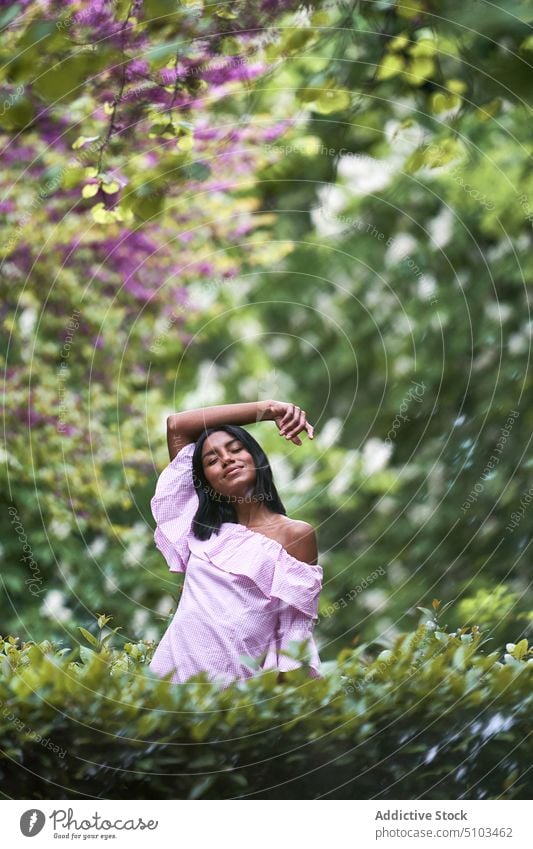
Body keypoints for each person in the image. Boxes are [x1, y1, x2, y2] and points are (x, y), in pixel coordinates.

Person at [148, 399, 323, 687]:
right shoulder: (200, 526)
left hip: (231, 700)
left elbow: (292, 635)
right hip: (166, 689)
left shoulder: (296, 535)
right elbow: (177, 425)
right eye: (212, 460)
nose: (226, 459)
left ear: (255, 456)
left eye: (235, 449)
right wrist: (270, 409)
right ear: (206, 482)